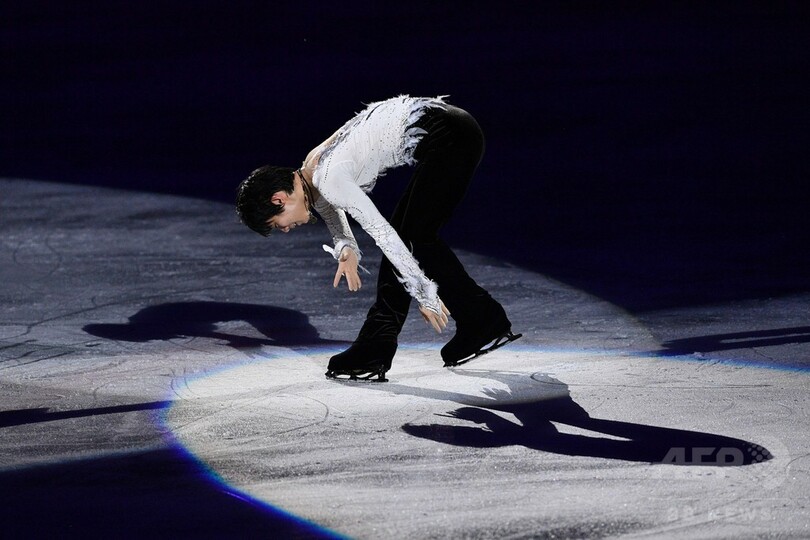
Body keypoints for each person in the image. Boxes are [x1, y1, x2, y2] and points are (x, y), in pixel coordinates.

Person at [236, 95, 520, 381]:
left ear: (278, 199)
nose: (284, 229)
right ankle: (477, 319)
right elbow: (332, 213)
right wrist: (346, 248)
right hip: (449, 129)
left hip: (452, 137)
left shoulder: (328, 179)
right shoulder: (311, 170)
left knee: (414, 238)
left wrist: (424, 293)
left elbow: (383, 234)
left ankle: (386, 343)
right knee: (412, 235)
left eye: (277, 223)